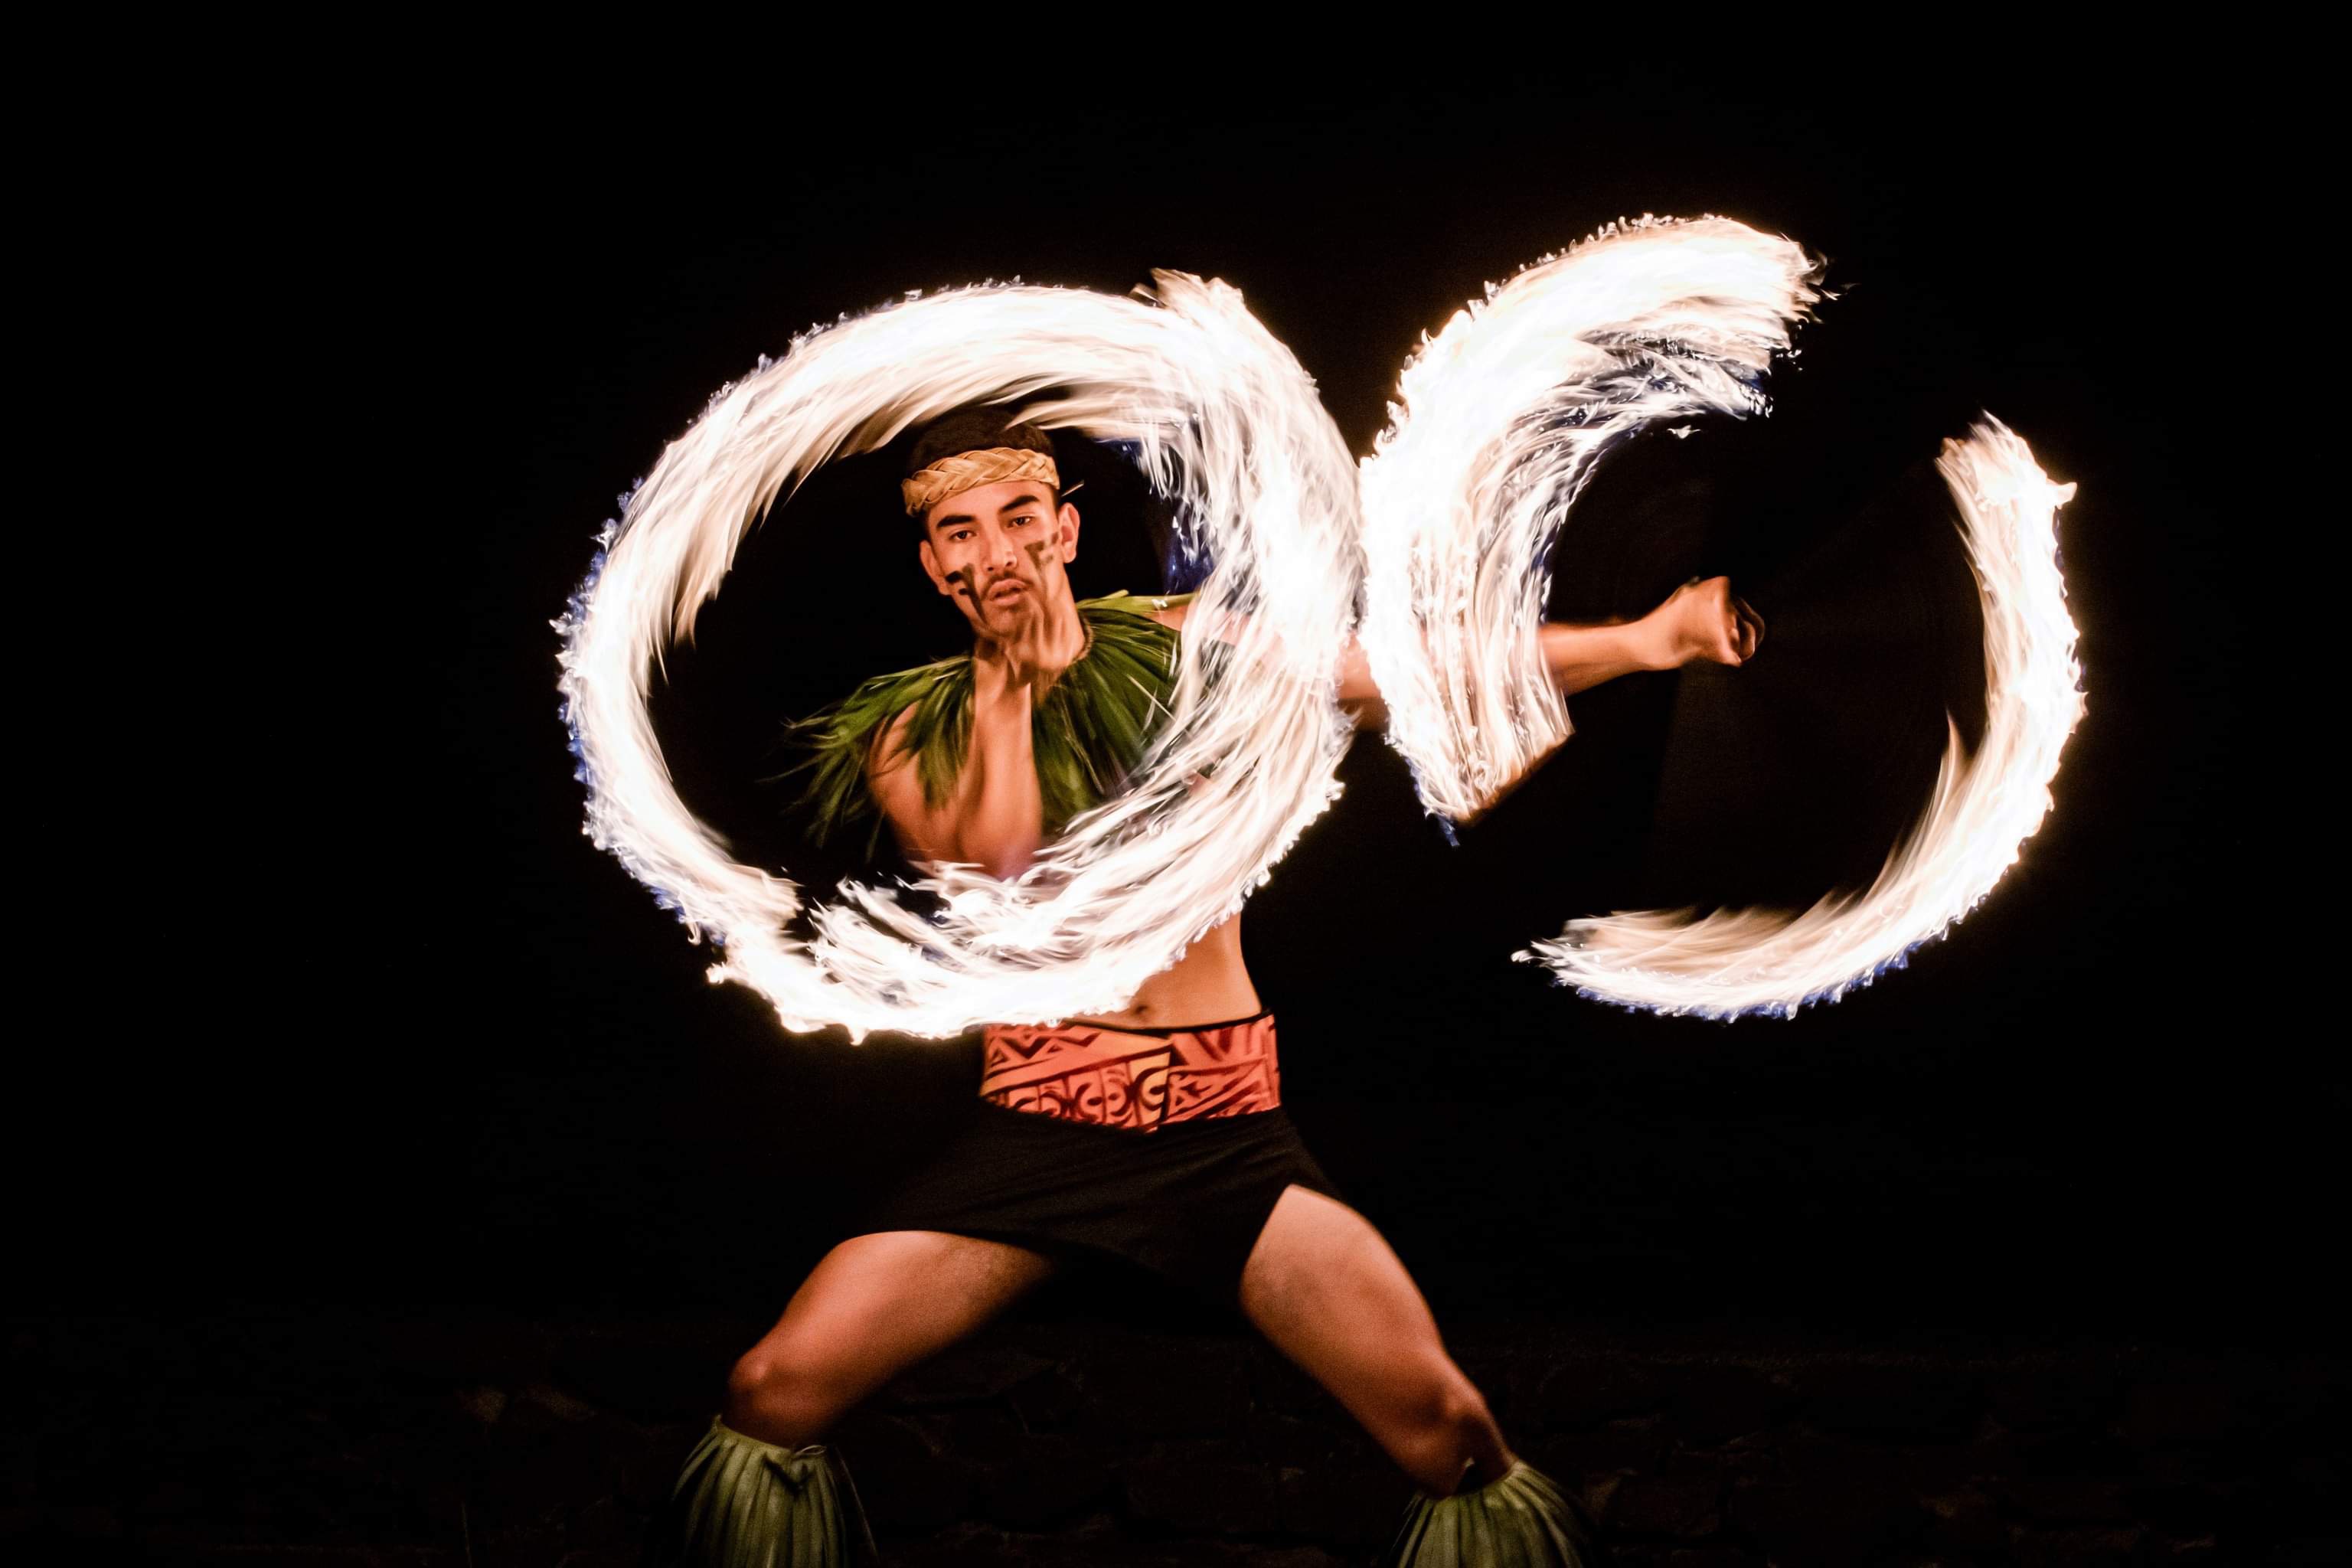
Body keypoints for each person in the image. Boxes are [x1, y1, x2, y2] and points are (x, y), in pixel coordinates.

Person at [643, 412, 1762, 1566]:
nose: (997, 553)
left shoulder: (1191, 648)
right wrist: (1010, 688)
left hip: (1226, 1145)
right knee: (775, 1386)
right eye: (960, 531)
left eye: (1021, 518)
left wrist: (1645, 640)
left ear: (1066, 529)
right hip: (1039, 1139)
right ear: (933, 562)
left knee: (1451, 1430)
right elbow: (1013, 881)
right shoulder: (907, 732)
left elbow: (1401, 677)